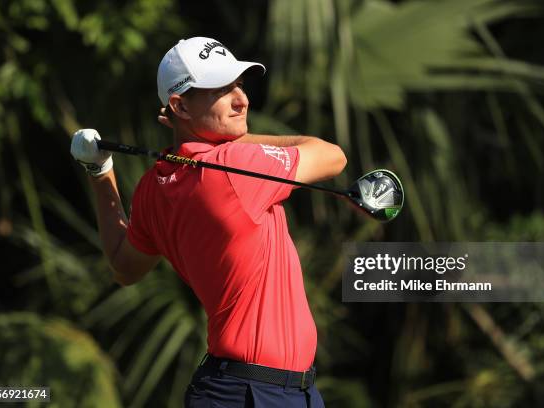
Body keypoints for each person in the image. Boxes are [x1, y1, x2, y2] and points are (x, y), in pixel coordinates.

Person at [70, 37, 346, 407]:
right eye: (221, 90)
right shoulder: (238, 168)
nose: (242, 100)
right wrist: (242, 137)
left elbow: (124, 267)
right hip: (253, 394)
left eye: (239, 85)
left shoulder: (154, 188)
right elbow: (332, 156)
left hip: (264, 390)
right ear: (179, 106)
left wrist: (101, 172)